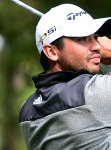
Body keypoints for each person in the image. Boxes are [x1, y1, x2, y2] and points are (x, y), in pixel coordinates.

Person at [19, 3, 111, 150]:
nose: (98, 46)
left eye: (96, 38)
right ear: (52, 52)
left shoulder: (27, 111)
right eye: (82, 38)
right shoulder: (93, 93)